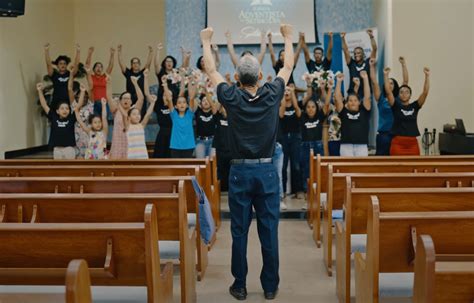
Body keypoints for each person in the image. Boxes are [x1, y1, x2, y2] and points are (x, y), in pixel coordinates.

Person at [201, 23, 295, 300]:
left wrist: (206, 42)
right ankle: (269, 287)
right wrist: (288, 38)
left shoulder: (230, 95)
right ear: (262, 76)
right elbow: (288, 66)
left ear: (238, 81)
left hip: (240, 172)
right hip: (266, 171)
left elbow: (211, 70)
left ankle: (239, 285)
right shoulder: (272, 93)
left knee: (239, 232)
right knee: (269, 232)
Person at [152, 44, 191, 158]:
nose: (169, 63)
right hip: (162, 100)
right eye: (167, 61)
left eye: (171, 61)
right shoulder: (161, 73)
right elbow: (155, 64)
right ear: (164, 63)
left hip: (174, 100)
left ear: (173, 63)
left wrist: (185, 55)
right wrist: (158, 51)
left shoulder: (176, 73)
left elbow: (184, 68)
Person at [384, 66, 430, 155]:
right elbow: (388, 92)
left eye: (407, 92)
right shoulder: (395, 105)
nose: (404, 94)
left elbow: (425, 92)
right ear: (398, 95)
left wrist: (427, 76)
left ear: (410, 95)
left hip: (412, 144)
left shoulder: (415, 106)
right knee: (398, 168)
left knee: (414, 168)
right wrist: (386, 75)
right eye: (401, 92)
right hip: (397, 143)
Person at [299, 77, 331, 198]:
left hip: (318, 145)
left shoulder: (319, 117)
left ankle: (319, 193)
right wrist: (308, 85)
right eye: (308, 107)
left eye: (313, 107)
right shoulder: (302, 117)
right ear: (305, 109)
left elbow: (327, 103)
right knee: (306, 170)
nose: (311, 109)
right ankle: (308, 193)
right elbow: (301, 104)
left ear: (316, 108)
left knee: (319, 170)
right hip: (305, 146)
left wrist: (329, 89)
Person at [369, 57, 408, 155]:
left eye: (392, 83)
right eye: (388, 82)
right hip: (384, 135)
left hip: (398, 135)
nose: (389, 85)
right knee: (381, 163)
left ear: (395, 87)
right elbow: (374, 82)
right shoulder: (380, 98)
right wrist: (371, 66)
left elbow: (405, 82)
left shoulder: (399, 99)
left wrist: (403, 64)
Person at [334, 71, 371, 156]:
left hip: (361, 146)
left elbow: (367, 97)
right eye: (350, 100)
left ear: (359, 102)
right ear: (347, 103)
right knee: (346, 169)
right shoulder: (343, 112)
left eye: (355, 100)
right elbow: (337, 99)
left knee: (361, 169)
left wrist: (365, 78)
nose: (353, 102)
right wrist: (339, 81)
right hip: (346, 146)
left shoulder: (364, 111)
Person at [108, 76, 144, 159]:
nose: (126, 100)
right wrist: (108, 83)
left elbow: (141, 98)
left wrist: (135, 83)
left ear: (131, 101)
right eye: (124, 98)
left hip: (130, 144)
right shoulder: (116, 110)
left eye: (128, 98)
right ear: (120, 101)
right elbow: (109, 97)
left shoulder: (134, 111)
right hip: (117, 144)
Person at [37, 82, 77, 159]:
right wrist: (39, 91)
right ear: (57, 111)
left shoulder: (71, 118)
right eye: (62, 108)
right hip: (57, 149)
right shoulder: (54, 117)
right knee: (58, 169)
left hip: (69, 149)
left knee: (69, 170)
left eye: (67, 108)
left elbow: (77, 106)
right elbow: (44, 105)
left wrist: (82, 92)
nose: (65, 110)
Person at [279, 85, 303, 199]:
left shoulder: (295, 106)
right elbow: (281, 114)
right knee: (283, 166)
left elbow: (298, 113)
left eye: (288, 90)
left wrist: (292, 94)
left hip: (295, 138)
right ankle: (282, 191)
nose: (286, 92)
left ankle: (298, 190)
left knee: (296, 165)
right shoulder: (281, 105)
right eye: (285, 90)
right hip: (283, 138)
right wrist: (283, 95)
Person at [163, 75, 196, 158]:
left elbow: (191, 97)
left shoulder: (189, 114)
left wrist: (192, 82)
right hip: (175, 147)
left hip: (188, 146)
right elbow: (169, 99)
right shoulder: (174, 115)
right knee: (176, 170)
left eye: (184, 102)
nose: (182, 104)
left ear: (187, 105)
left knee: (187, 170)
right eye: (179, 103)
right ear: (176, 106)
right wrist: (165, 84)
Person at [117, 44, 152, 116]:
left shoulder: (143, 73)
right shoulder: (128, 73)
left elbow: (148, 64)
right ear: (131, 65)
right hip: (131, 99)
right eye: (134, 63)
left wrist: (151, 52)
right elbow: (121, 64)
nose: (136, 64)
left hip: (141, 99)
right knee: (130, 117)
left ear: (140, 64)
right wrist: (119, 52)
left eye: (137, 63)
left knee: (141, 117)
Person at [44, 43, 80, 110]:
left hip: (68, 102)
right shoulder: (54, 74)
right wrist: (46, 51)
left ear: (66, 65)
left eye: (64, 63)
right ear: (57, 66)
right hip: (56, 102)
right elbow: (48, 64)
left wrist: (78, 51)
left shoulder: (70, 74)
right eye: (60, 63)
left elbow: (76, 64)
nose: (62, 65)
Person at [341, 29, 377, 97]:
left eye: (358, 53)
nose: (356, 54)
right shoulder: (351, 63)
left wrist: (371, 36)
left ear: (363, 54)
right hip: (352, 94)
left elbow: (374, 49)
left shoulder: (367, 62)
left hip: (365, 94)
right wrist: (343, 38)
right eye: (355, 53)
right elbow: (345, 50)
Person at [67, 72, 94, 159]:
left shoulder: (90, 105)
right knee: (79, 155)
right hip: (77, 132)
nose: (84, 98)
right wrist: (71, 74)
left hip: (89, 132)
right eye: (82, 96)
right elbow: (69, 89)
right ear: (77, 98)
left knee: (90, 154)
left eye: (86, 97)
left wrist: (88, 73)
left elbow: (91, 88)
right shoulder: (74, 105)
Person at [84, 46, 115, 117]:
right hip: (94, 103)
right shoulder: (91, 77)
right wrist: (90, 53)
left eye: (101, 67)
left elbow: (110, 66)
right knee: (95, 121)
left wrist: (112, 55)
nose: (99, 68)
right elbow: (87, 66)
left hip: (105, 103)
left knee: (105, 122)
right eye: (97, 66)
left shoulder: (104, 77)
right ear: (93, 69)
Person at [124, 95, 156, 159]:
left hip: (142, 155)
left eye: (138, 114)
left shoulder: (141, 126)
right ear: (129, 117)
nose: (137, 116)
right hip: (131, 156)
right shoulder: (127, 126)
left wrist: (153, 103)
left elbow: (148, 114)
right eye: (134, 114)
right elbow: (124, 115)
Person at [193, 91, 218, 158]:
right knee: (200, 164)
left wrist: (207, 92)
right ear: (200, 104)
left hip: (213, 142)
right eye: (203, 100)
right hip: (200, 141)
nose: (206, 102)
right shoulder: (197, 111)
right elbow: (193, 98)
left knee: (213, 164)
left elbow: (215, 103)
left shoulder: (214, 112)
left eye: (208, 100)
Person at [212, 104, 231, 191]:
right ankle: (220, 189)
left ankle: (229, 188)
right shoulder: (218, 117)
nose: (226, 109)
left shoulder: (234, 118)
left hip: (231, 149)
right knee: (220, 169)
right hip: (220, 149)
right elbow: (215, 107)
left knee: (230, 170)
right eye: (224, 107)